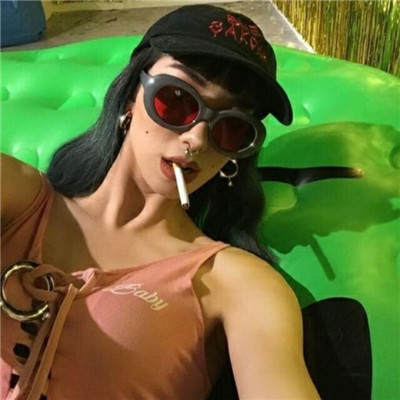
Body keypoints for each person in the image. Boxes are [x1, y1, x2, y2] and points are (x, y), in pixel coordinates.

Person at [1, 4, 320, 400]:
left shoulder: (236, 283)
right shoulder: (19, 198)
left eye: (232, 127)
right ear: (130, 98)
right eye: (177, 100)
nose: (197, 139)